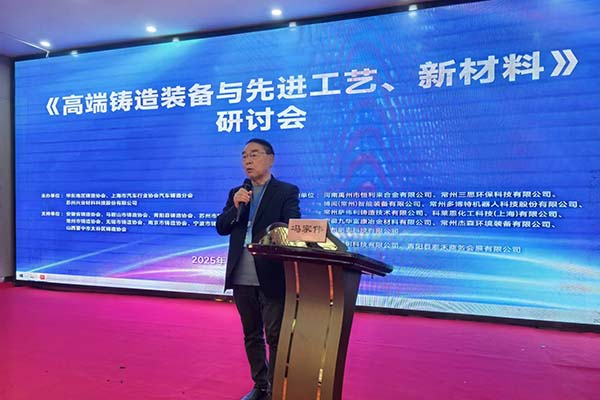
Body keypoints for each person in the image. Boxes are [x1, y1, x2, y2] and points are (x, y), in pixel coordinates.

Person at [216, 138, 301, 400]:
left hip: (272, 274)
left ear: (270, 159)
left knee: (275, 336)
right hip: (241, 274)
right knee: (251, 335)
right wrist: (235, 206)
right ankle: (261, 385)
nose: (248, 161)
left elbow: (292, 225)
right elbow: (222, 227)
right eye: (244, 156)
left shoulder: (286, 191)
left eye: (254, 154)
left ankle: (276, 389)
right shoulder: (238, 192)